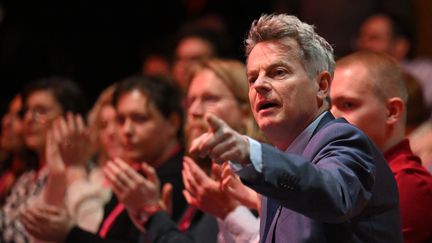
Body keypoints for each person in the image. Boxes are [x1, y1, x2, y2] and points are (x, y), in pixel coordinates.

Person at [188, 14, 402, 243]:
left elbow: (333, 194)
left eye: (278, 72)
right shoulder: (282, 160)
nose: (259, 84)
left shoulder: (344, 140)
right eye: (252, 78)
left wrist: (251, 153)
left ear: (321, 86)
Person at [104, 59, 261, 243]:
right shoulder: (201, 176)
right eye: (190, 101)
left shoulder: (255, 181)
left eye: (209, 98)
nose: (194, 111)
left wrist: (154, 216)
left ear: (244, 112)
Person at [21, 75, 188, 243]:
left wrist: (70, 234)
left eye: (139, 118)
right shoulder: (136, 172)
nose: (126, 130)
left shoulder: (181, 178)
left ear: (173, 123)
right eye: (121, 120)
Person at [330, 50, 432, 243]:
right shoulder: (353, 175)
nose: (331, 117)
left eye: (348, 104)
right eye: (329, 106)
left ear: (392, 111)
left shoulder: (409, 184)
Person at [0, 77, 97, 242]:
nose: (29, 119)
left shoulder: (81, 174)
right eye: (26, 112)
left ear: (69, 119)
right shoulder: (27, 177)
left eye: (41, 111)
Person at [357, 13, 432, 115]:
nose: (364, 44)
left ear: (400, 46)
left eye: (374, 38)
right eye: (362, 37)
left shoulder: (424, 72)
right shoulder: (355, 74)